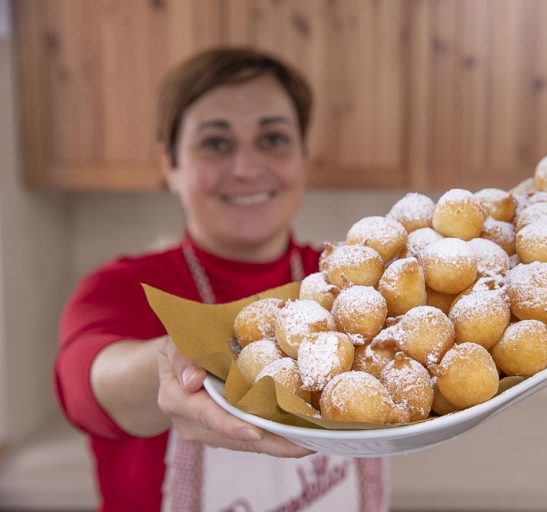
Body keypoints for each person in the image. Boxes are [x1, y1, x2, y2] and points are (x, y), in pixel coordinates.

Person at [55, 47, 388, 512]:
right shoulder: (122, 288)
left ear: (304, 157)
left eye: (273, 139)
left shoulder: (351, 284)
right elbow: (84, 385)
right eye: (216, 143)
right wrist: (167, 367)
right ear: (169, 164)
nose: (247, 168)